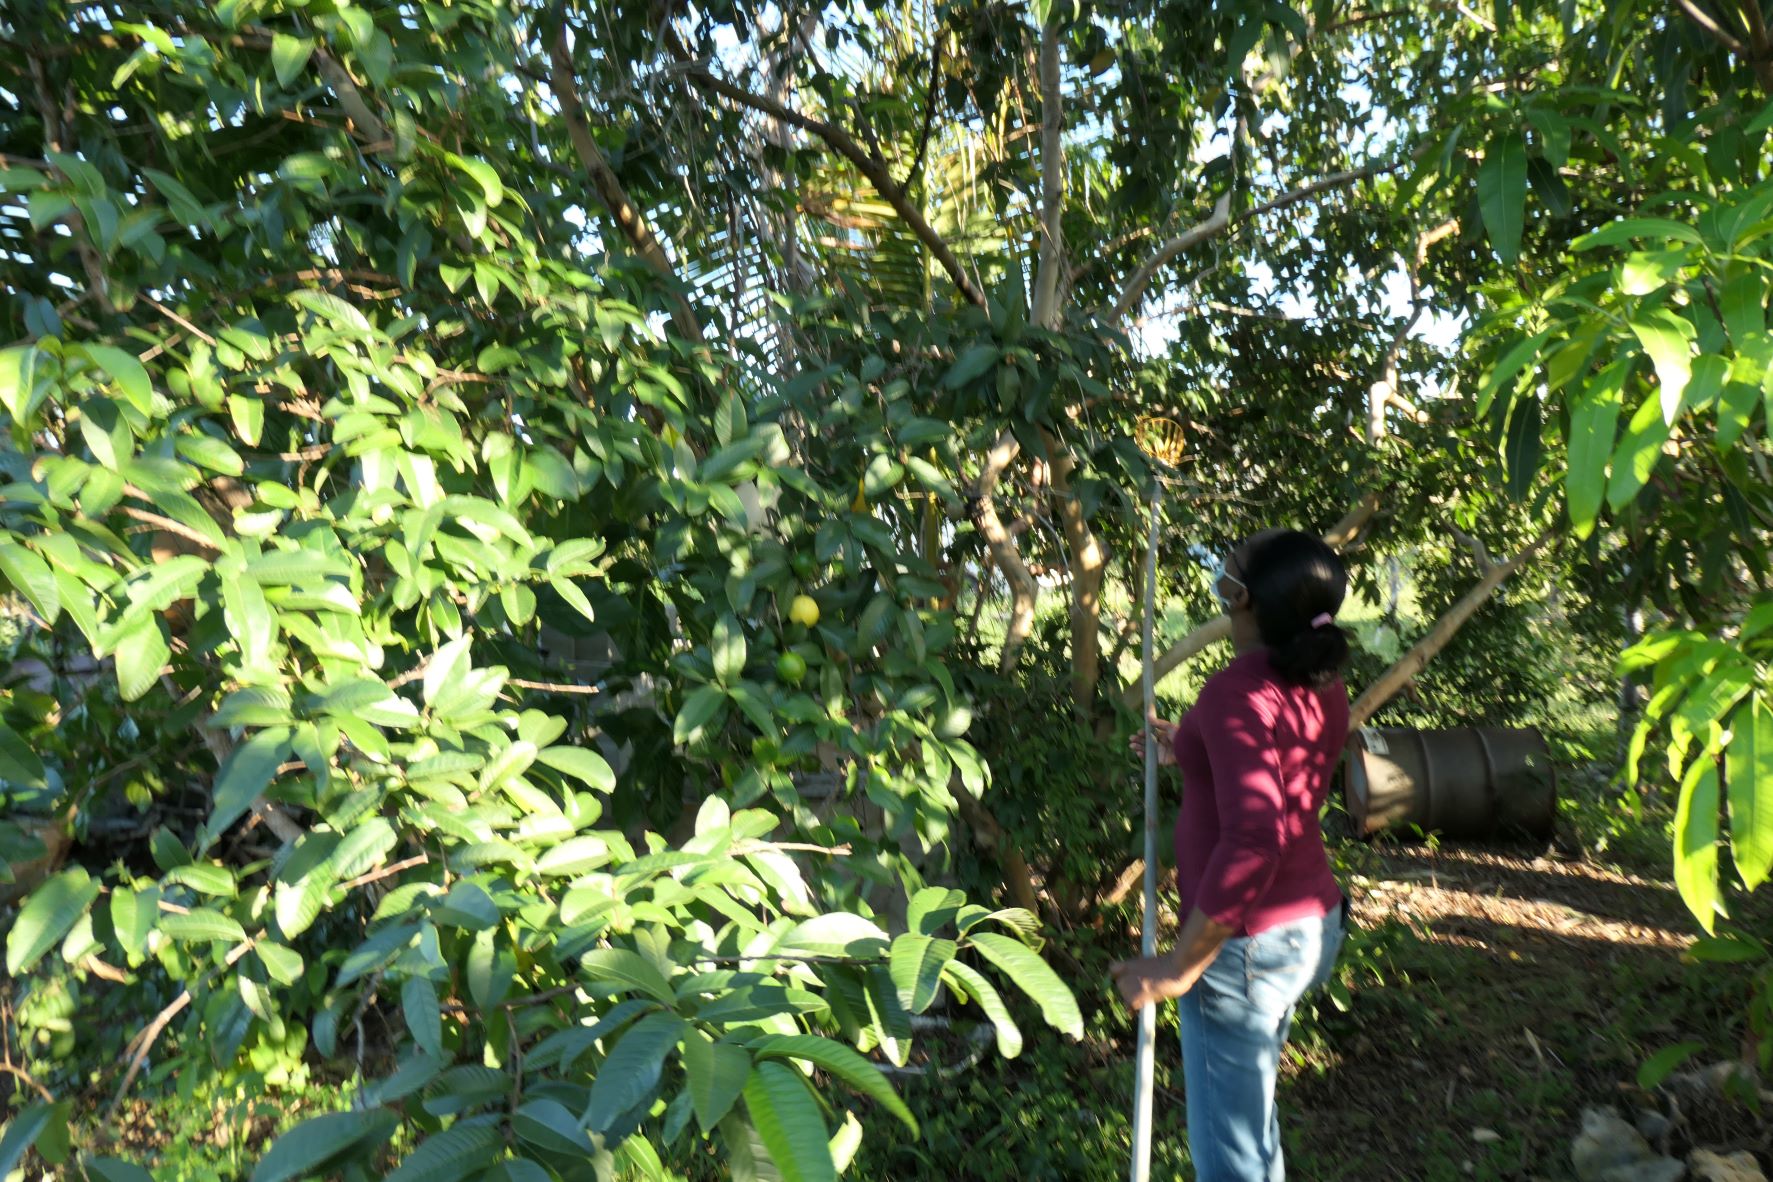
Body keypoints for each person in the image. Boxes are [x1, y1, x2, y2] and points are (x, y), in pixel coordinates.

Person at [1111, 528, 1352, 1182]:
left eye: (1232, 563)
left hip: (1246, 948)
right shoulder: (1318, 677)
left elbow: (1255, 838)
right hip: (1308, 925)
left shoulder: (1236, 691)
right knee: (1250, 1123)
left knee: (1230, 1156)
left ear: (1240, 596)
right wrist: (1188, 746)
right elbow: (1275, 762)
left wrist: (1179, 965)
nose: (1222, 564)